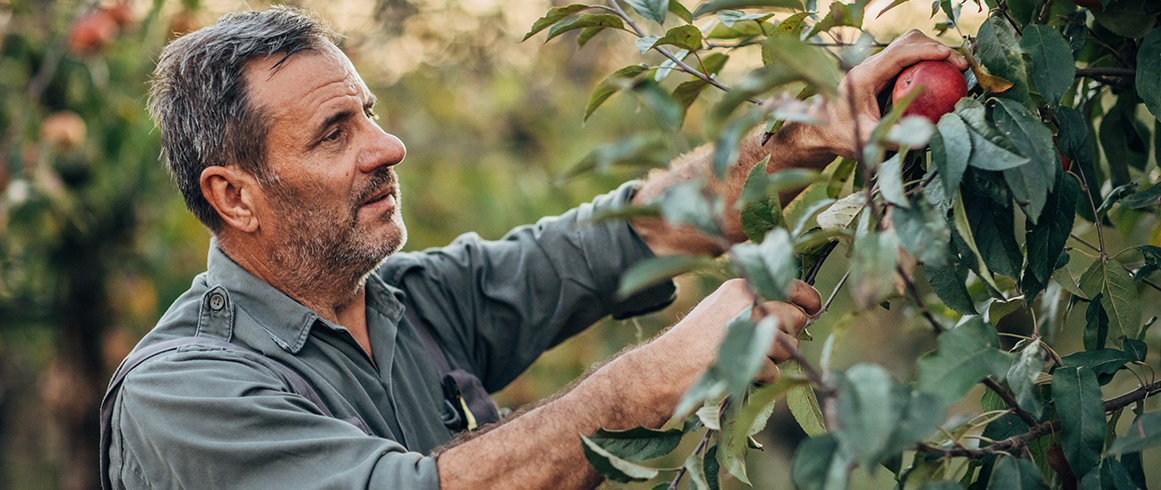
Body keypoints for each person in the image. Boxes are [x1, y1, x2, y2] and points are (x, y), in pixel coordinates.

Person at [101, 6, 967, 490]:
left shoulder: (408, 304)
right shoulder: (181, 394)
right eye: (335, 132)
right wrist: (643, 383)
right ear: (234, 197)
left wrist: (812, 132)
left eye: (369, 113)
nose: (387, 146)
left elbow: (635, 230)